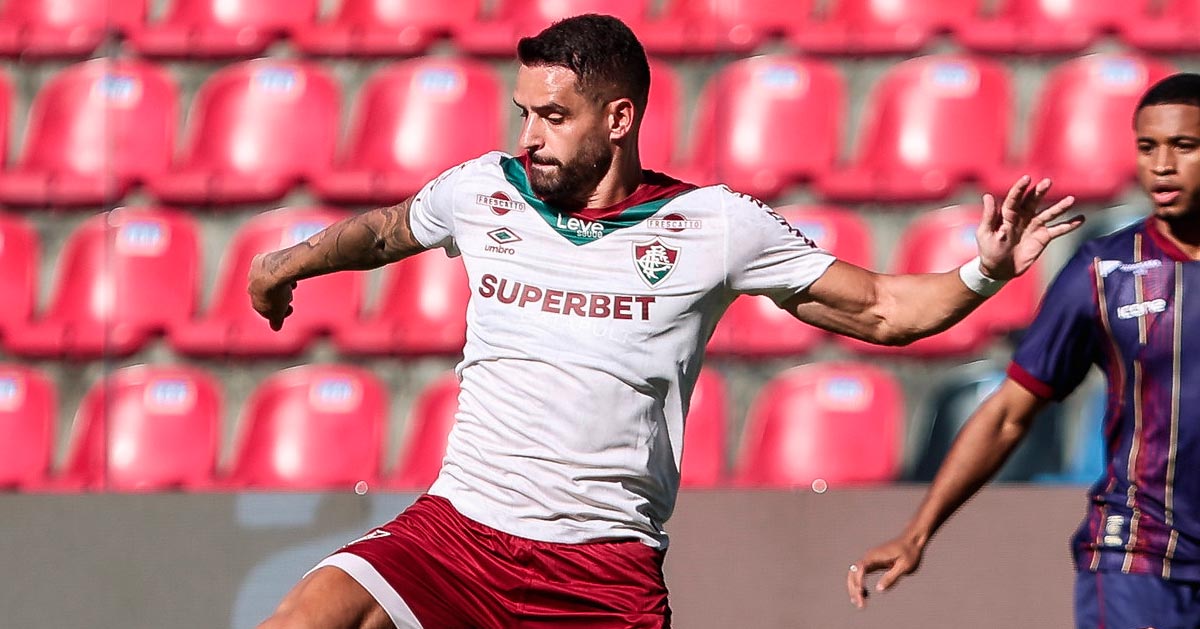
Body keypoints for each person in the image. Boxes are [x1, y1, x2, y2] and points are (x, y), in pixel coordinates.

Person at [249, 14, 1080, 629]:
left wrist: (985, 270)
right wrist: (286, 264)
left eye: (553, 117)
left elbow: (886, 310)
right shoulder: (484, 189)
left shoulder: (714, 226)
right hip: (457, 534)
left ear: (619, 120)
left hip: (599, 572)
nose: (529, 137)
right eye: (524, 112)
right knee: (305, 619)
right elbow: (385, 230)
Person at [847, 72, 1200, 629]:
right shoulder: (1104, 271)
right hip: (1138, 555)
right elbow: (1009, 414)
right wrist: (917, 532)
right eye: (1146, 147)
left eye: (1184, 146)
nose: (1161, 165)